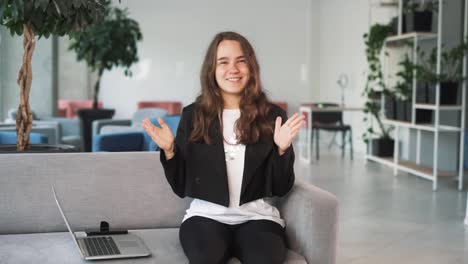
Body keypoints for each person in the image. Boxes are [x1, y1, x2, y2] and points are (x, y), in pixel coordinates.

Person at [142, 31, 305, 264]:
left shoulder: (273, 116)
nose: (233, 69)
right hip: (205, 218)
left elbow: (280, 187)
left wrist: (282, 150)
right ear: (212, 69)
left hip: (258, 219)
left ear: (251, 67)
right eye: (223, 62)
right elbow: (180, 187)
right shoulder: (193, 115)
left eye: (241, 61)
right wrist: (170, 151)